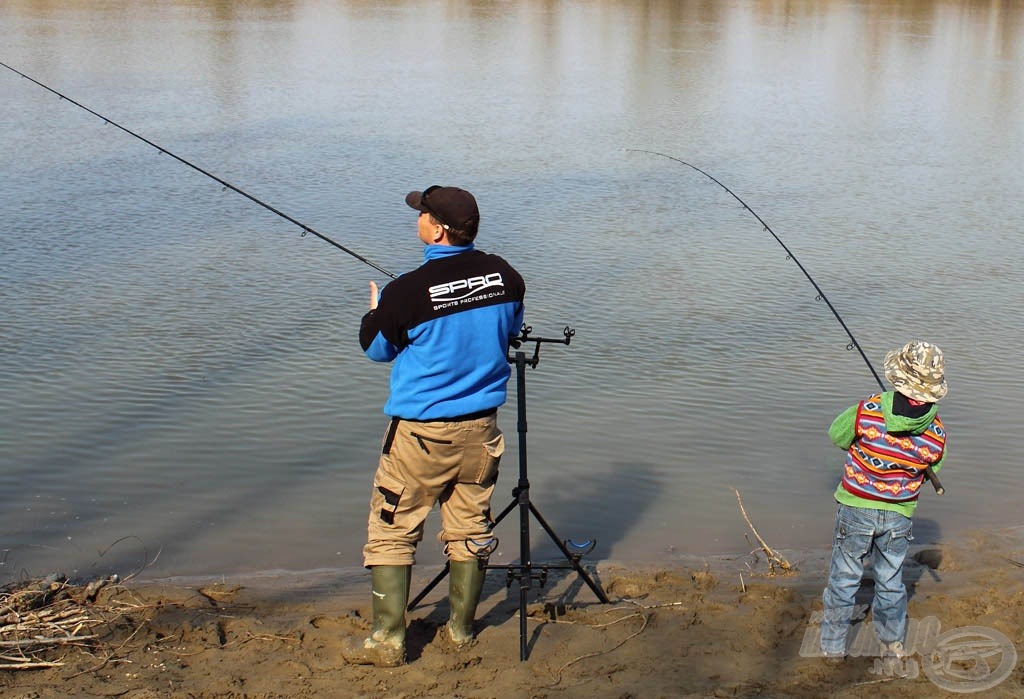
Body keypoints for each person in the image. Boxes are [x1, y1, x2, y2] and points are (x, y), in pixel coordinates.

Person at [343, 185, 526, 667]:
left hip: (421, 436)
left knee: (392, 529)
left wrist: (375, 310)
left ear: (438, 229)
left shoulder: (407, 290)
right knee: (469, 525)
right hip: (482, 431)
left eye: (422, 214)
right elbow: (508, 330)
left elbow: (375, 349)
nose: (417, 220)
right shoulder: (506, 277)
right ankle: (462, 631)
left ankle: (387, 641)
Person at [819, 340, 948, 662]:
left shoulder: (869, 410)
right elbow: (934, 466)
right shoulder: (937, 432)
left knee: (844, 577)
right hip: (898, 516)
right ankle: (893, 643)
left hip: (856, 508)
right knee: (891, 581)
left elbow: (837, 435)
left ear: (897, 378)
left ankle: (832, 647)